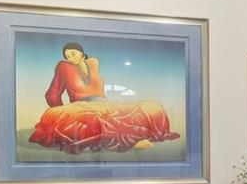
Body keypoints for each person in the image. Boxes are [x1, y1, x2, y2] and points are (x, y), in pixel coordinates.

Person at [28, 40, 180, 153]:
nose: (70, 57)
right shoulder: (64, 66)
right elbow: (53, 92)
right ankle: (132, 142)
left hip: (103, 102)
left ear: (81, 53)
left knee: (151, 106)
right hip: (81, 105)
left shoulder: (93, 64)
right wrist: (62, 110)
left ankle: (136, 137)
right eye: (67, 55)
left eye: (73, 53)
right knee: (97, 120)